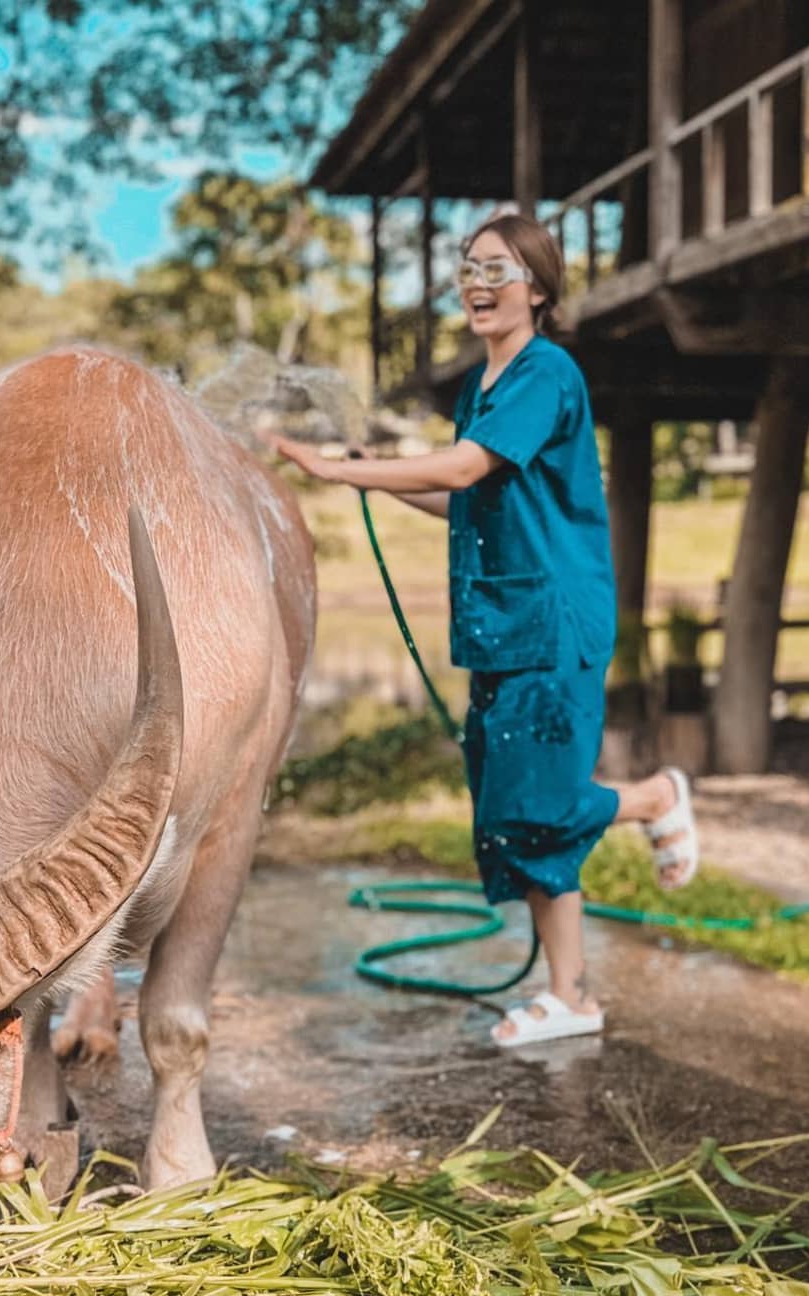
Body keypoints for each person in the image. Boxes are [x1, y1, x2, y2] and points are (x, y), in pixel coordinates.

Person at [268, 213, 697, 1047]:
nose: (478, 283)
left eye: (497, 269)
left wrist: (342, 468)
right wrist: (379, 480)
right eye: (468, 269)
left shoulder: (546, 374)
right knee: (516, 812)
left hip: (551, 619)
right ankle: (569, 996)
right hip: (500, 623)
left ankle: (653, 798)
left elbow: (464, 466)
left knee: (539, 803)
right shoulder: (483, 390)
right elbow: (463, 493)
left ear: (537, 288)